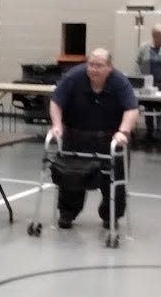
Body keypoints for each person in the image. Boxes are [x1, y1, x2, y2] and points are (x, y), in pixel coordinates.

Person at [49, 48, 138, 229]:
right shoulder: (73, 78)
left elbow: (131, 109)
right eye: (91, 64)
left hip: (110, 137)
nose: (93, 69)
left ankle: (111, 215)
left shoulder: (120, 82)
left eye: (99, 65)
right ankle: (67, 213)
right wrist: (57, 125)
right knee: (70, 178)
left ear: (109, 67)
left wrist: (124, 131)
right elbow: (56, 102)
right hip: (77, 135)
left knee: (114, 180)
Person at [136, 24, 161, 142]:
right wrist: (139, 79)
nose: (159, 37)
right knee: (148, 107)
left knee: (159, 108)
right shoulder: (144, 47)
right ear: (153, 35)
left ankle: (160, 131)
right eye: (157, 35)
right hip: (147, 83)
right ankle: (149, 131)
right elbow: (137, 62)